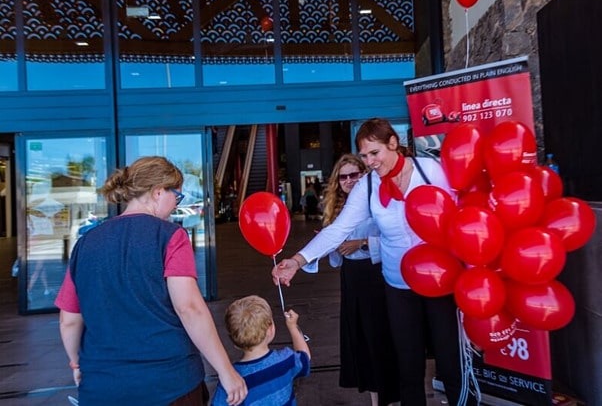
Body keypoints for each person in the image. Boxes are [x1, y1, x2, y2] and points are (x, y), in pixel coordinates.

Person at [272, 118, 476, 406]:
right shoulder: (367, 186)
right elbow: (338, 229)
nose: (369, 161)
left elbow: (461, 222)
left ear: (393, 143)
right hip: (398, 286)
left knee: (450, 362)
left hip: (441, 283)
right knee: (408, 366)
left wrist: (471, 281)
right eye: (365, 155)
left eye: (374, 153)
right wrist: (297, 259)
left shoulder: (429, 171)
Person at [54, 156, 247, 406]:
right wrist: (225, 370)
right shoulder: (170, 236)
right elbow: (189, 308)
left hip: (102, 387)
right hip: (170, 383)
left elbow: (68, 320)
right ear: (157, 192)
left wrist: (77, 363)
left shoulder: (86, 243)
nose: (176, 205)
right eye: (176, 196)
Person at [304, 153, 399, 406]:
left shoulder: (380, 199)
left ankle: (391, 397)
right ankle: (375, 400)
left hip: (377, 275)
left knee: (381, 339)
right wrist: (336, 248)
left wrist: (363, 243)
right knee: (362, 341)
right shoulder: (336, 209)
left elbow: (397, 238)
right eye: (343, 176)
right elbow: (337, 256)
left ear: (364, 175)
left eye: (354, 175)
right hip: (352, 278)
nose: (348, 181)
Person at [211, 295, 311, 405]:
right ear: (271, 329)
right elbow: (305, 358)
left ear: (233, 340)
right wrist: (293, 326)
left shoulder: (232, 379)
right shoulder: (286, 360)